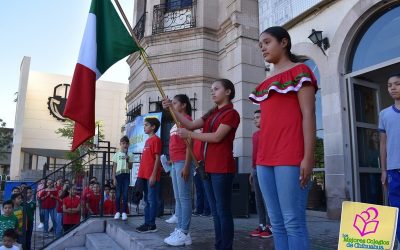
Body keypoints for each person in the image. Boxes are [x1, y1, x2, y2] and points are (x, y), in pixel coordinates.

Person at [249, 26, 318, 250]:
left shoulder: (300, 71)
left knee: (292, 221)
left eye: (267, 43)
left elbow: (308, 115)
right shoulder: (265, 82)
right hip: (264, 159)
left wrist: (309, 156)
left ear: (284, 42)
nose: (263, 48)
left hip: (290, 154)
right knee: (276, 223)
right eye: (260, 45)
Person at [163, 78, 240, 250]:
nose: (212, 92)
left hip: (222, 168)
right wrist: (171, 108)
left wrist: (190, 135)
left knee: (223, 211)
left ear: (228, 92)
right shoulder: (211, 113)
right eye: (211, 89)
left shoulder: (231, 114)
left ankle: (225, 247)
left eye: (216, 89)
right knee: (215, 212)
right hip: (207, 168)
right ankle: (219, 244)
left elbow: (217, 137)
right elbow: (190, 123)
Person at [163, 94, 194, 246]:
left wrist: (187, 165)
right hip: (175, 162)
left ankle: (184, 231)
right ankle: (180, 230)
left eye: (175, 103)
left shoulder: (186, 120)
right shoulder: (175, 123)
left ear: (183, 105)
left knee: (184, 197)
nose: (173, 105)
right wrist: (171, 159)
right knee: (179, 198)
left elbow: (190, 144)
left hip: (183, 162)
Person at [380, 73, 400, 243]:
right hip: (394, 171)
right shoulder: (384, 114)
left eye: (397, 84)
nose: (392, 88)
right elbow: (383, 144)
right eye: (389, 85)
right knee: (397, 210)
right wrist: (384, 170)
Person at [135, 117, 162, 233]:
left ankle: (152, 224)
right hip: (144, 175)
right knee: (146, 200)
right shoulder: (147, 141)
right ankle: (147, 223)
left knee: (151, 200)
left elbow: (157, 159)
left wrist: (153, 175)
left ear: (153, 127)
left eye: (146, 125)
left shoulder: (156, 140)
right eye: (144, 125)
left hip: (151, 176)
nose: (144, 127)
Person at [249, 110, 272, 238]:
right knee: (258, 198)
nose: (255, 120)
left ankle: (270, 226)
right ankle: (262, 224)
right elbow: (254, 154)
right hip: (257, 169)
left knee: (267, 198)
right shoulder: (255, 135)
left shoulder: (269, 133)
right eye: (254, 118)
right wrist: (253, 170)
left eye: (258, 117)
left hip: (267, 168)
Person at [112, 136, 133, 221]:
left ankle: (124, 212)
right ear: (120, 144)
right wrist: (113, 178)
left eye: (126, 143)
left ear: (128, 145)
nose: (125, 145)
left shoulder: (130, 154)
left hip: (126, 175)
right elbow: (114, 167)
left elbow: (131, 167)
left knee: (125, 194)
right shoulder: (117, 154)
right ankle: (117, 211)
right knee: (118, 194)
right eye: (123, 143)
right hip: (118, 175)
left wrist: (128, 160)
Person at [192, 137, 210, 217]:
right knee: (199, 189)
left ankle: (207, 211)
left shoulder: (204, 138)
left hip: (204, 165)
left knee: (205, 189)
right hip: (196, 166)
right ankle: (199, 209)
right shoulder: (195, 139)